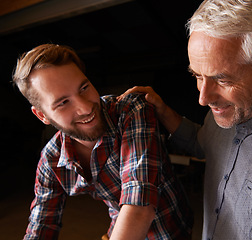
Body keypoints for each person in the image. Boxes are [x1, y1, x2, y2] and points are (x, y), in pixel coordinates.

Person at [118, 0, 252, 239]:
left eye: (222, 80)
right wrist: (163, 111)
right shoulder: (228, 110)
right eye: (197, 75)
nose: (203, 98)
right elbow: (204, 143)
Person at [12, 44, 193, 240]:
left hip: (172, 229)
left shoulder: (130, 110)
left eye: (84, 88)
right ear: (42, 115)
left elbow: (139, 202)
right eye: (63, 102)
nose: (86, 108)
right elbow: (41, 224)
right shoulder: (51, 159)